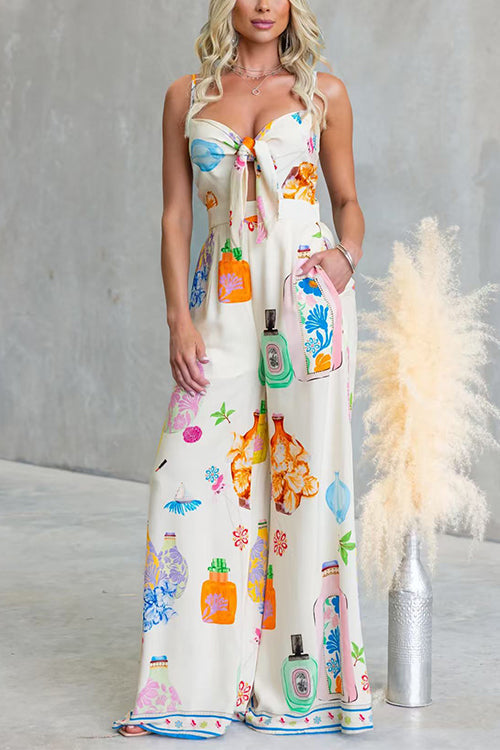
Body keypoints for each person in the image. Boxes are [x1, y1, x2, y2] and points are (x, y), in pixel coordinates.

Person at [112, 0, 374, 739]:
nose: (263, 4)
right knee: (187, 481)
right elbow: (175, 215)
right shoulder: (186, 95)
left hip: (306, 303)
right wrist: (178, 317)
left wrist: (345, 259)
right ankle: (184, 691)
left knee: (306, 489)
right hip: (219, 305)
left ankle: (300, 689)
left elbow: (348, 201)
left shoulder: (324, 92)